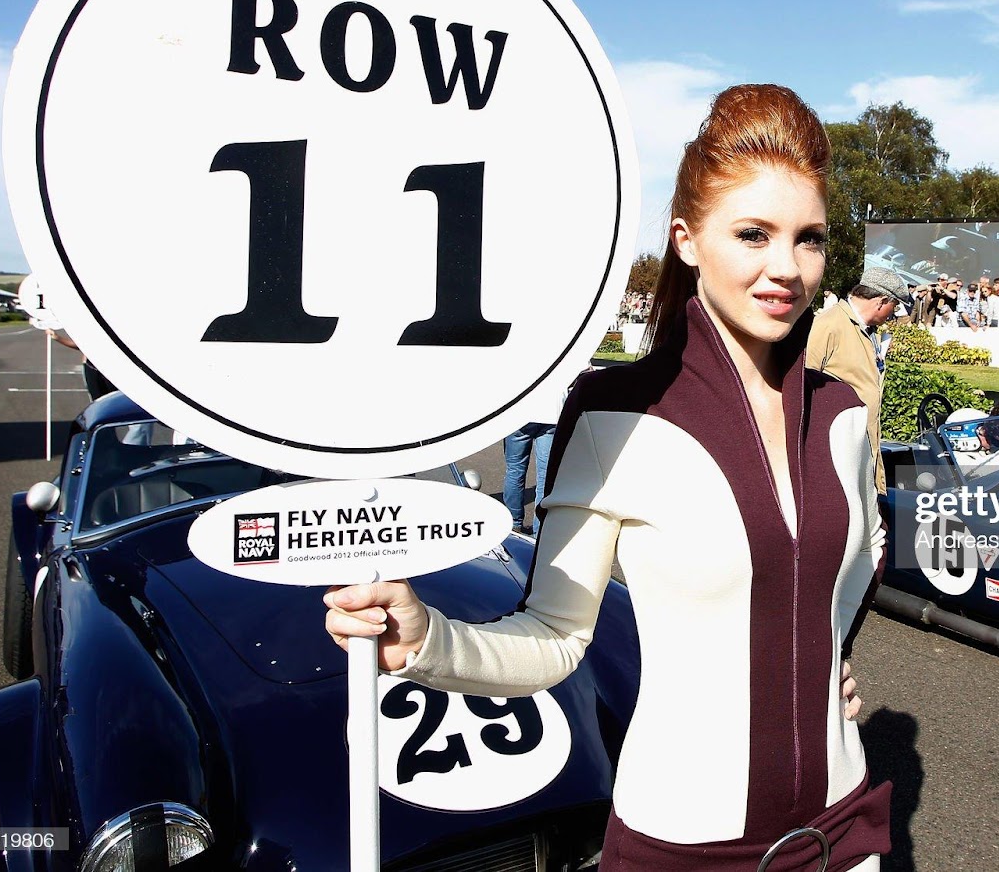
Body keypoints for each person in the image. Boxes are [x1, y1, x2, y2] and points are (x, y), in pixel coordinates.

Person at [325, 85, 891, 871]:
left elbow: (857, 568)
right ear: (688, 241)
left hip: (845, 832)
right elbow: (556, 638)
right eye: (753, 234)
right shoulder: (613, 414)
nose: (784, 268)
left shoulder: (844, 411)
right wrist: (429, 639)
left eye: (809, 239)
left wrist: (825, 661)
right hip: (685, 848)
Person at [808, 265, 911, 494]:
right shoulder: (830, 324)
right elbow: (805, 383)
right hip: (840, 447)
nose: (892, 315)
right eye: (893, 307)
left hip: (864, 443)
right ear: (881, 301)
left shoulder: (867, 330)